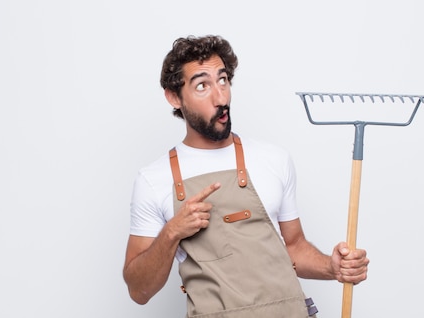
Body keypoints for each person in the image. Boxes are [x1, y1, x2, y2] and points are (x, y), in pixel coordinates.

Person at [123, 35, 369, 318]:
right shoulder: (153, 180)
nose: (221, 97)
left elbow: (293, 247)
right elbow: (138, 290)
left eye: (223, 80)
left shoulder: (273, 160)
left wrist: (332, 267)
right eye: (202, 85)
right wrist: (172, 232)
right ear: (174, 97)